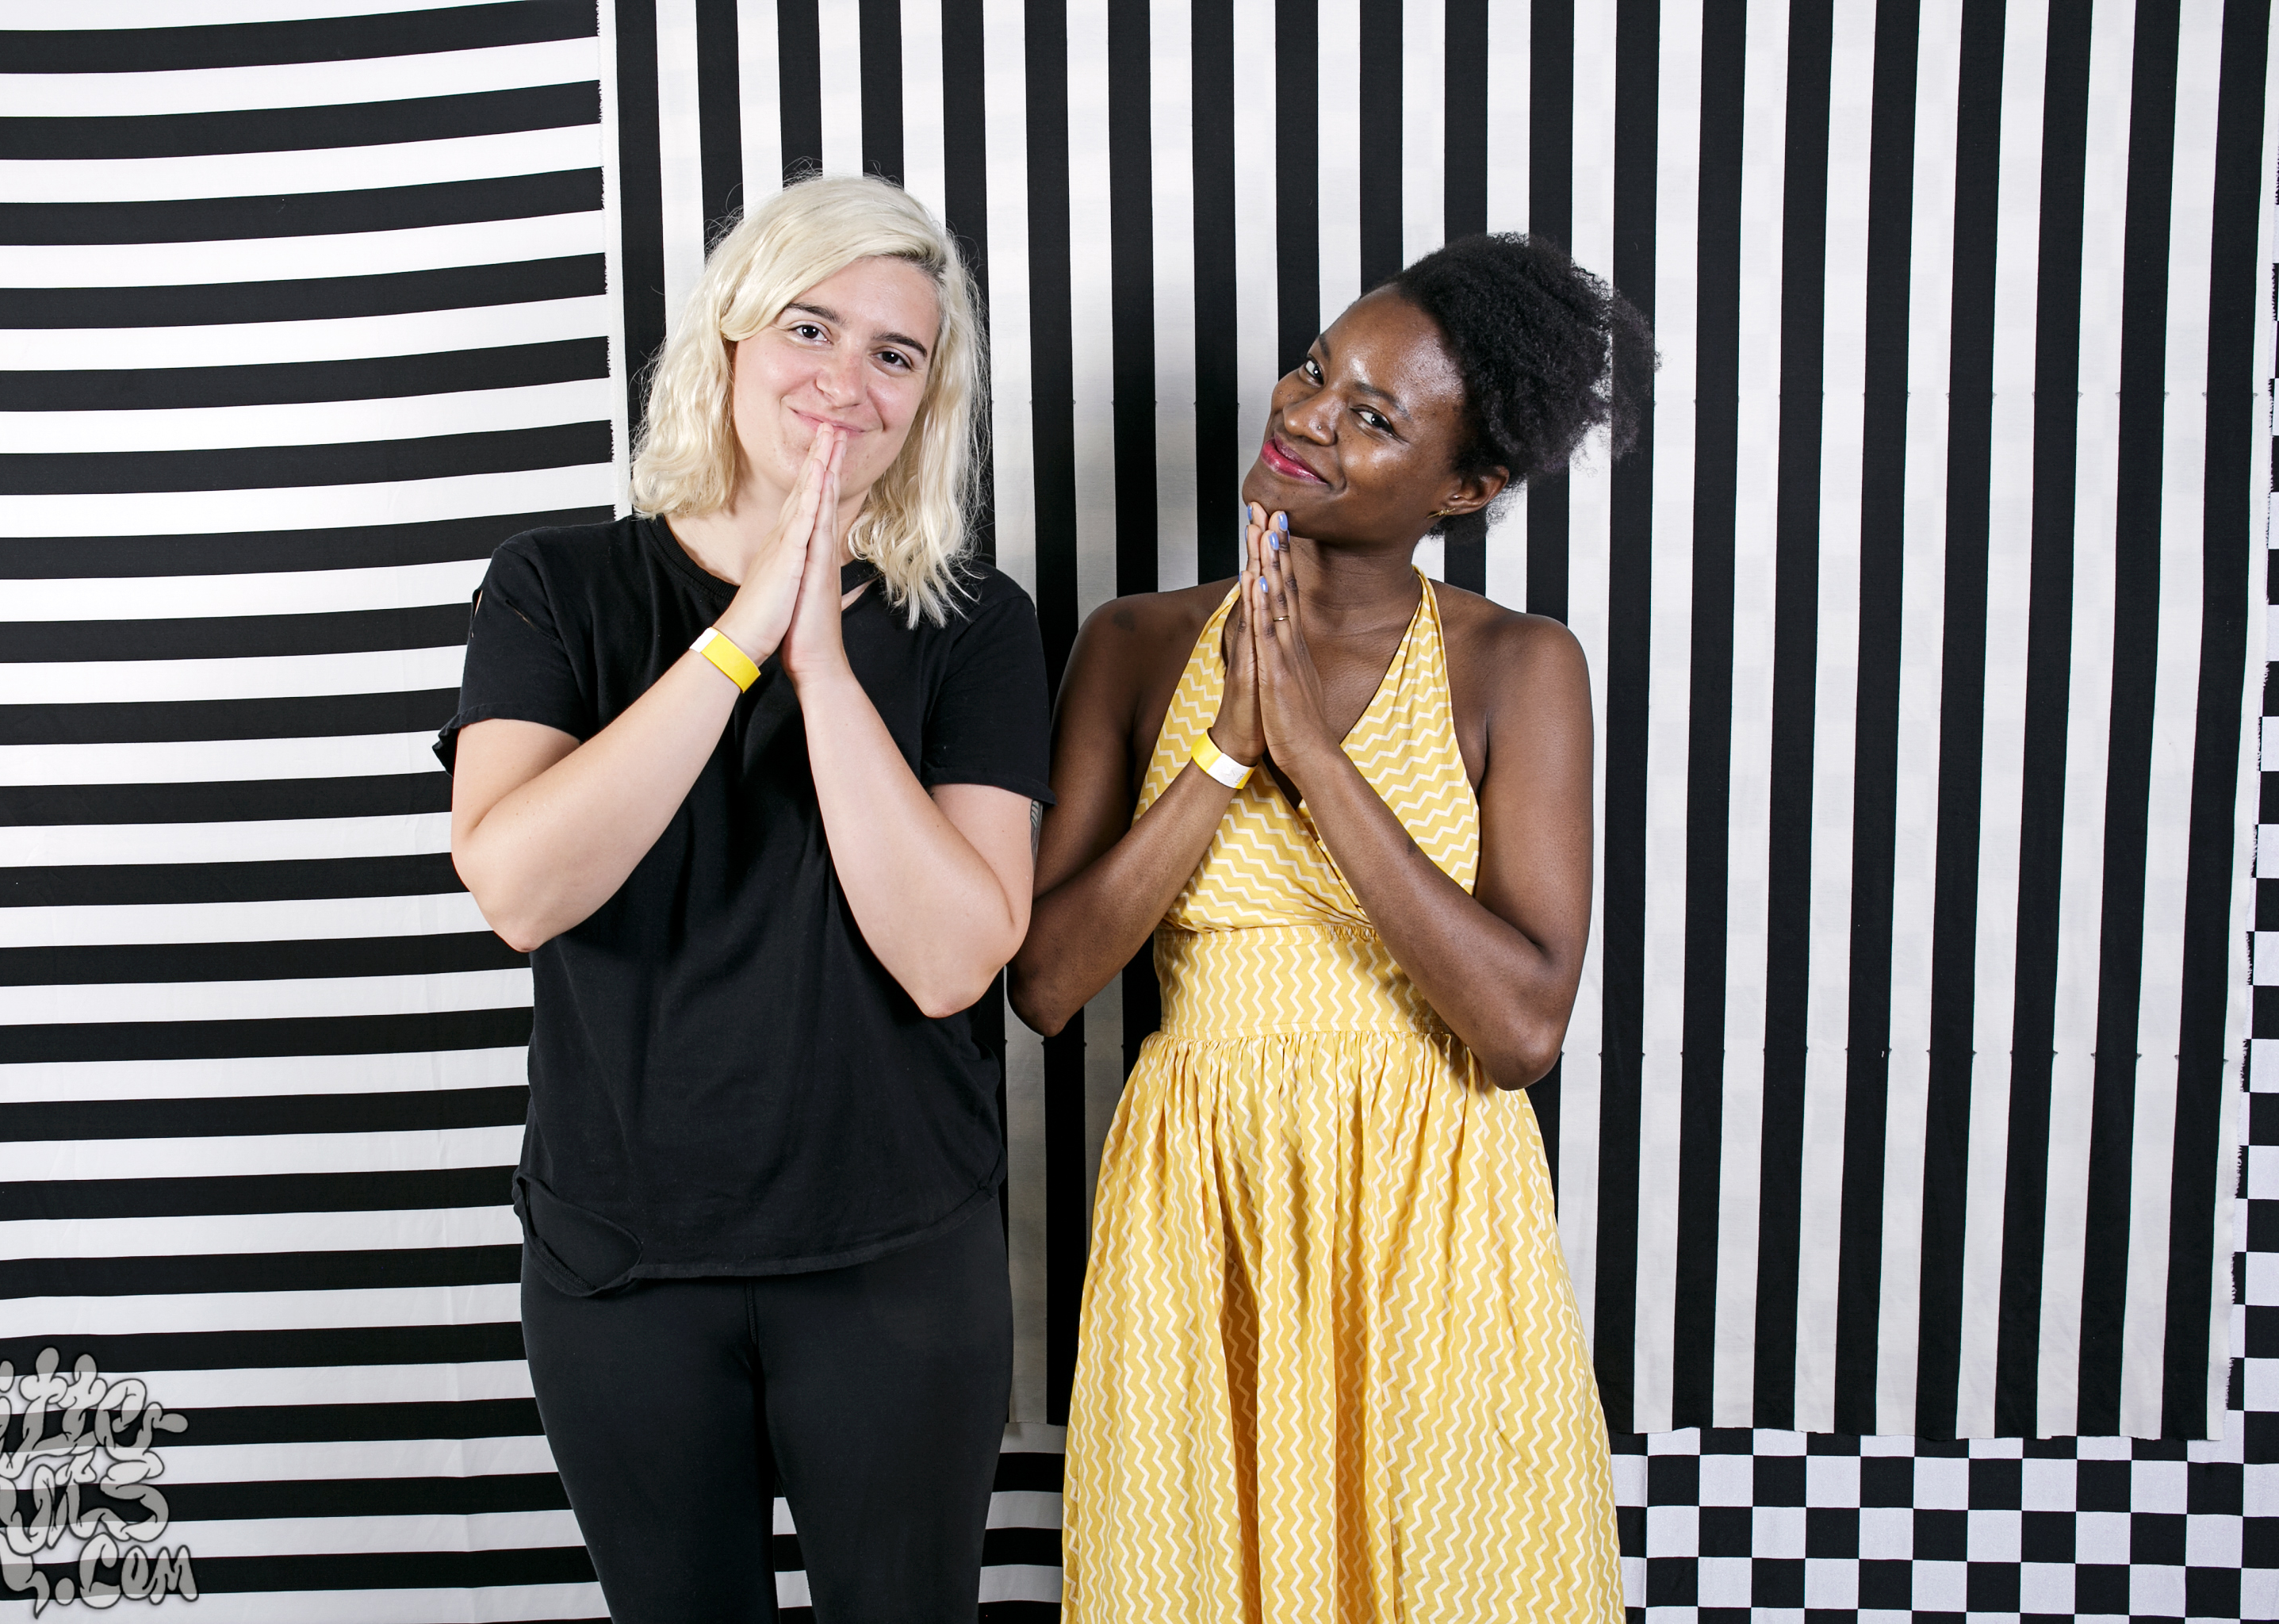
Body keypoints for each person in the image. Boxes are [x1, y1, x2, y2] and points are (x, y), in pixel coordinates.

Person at [1013, 232, 1653, 1622]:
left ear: (1467, 488)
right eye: (1315, 370)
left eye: (1373, 416)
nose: (1305, 416)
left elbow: (1520, 1031)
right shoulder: (1134, 646)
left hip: (1435, 1217)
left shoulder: (1518, 665)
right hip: (1205, 1209)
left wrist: (1313, 752)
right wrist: (1227, 751)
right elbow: (1048, 984)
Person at [439, 174, 1050, 1624]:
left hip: (896, 1259)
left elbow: (955, 960)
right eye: (808, 329)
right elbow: (519, 890)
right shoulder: (554, 589)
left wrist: (823, 665)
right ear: (728, 340)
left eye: (894, 355)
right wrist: (738, 640)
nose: (846, 380)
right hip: (622, 1266)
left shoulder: (974, 625)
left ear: (926, 402)